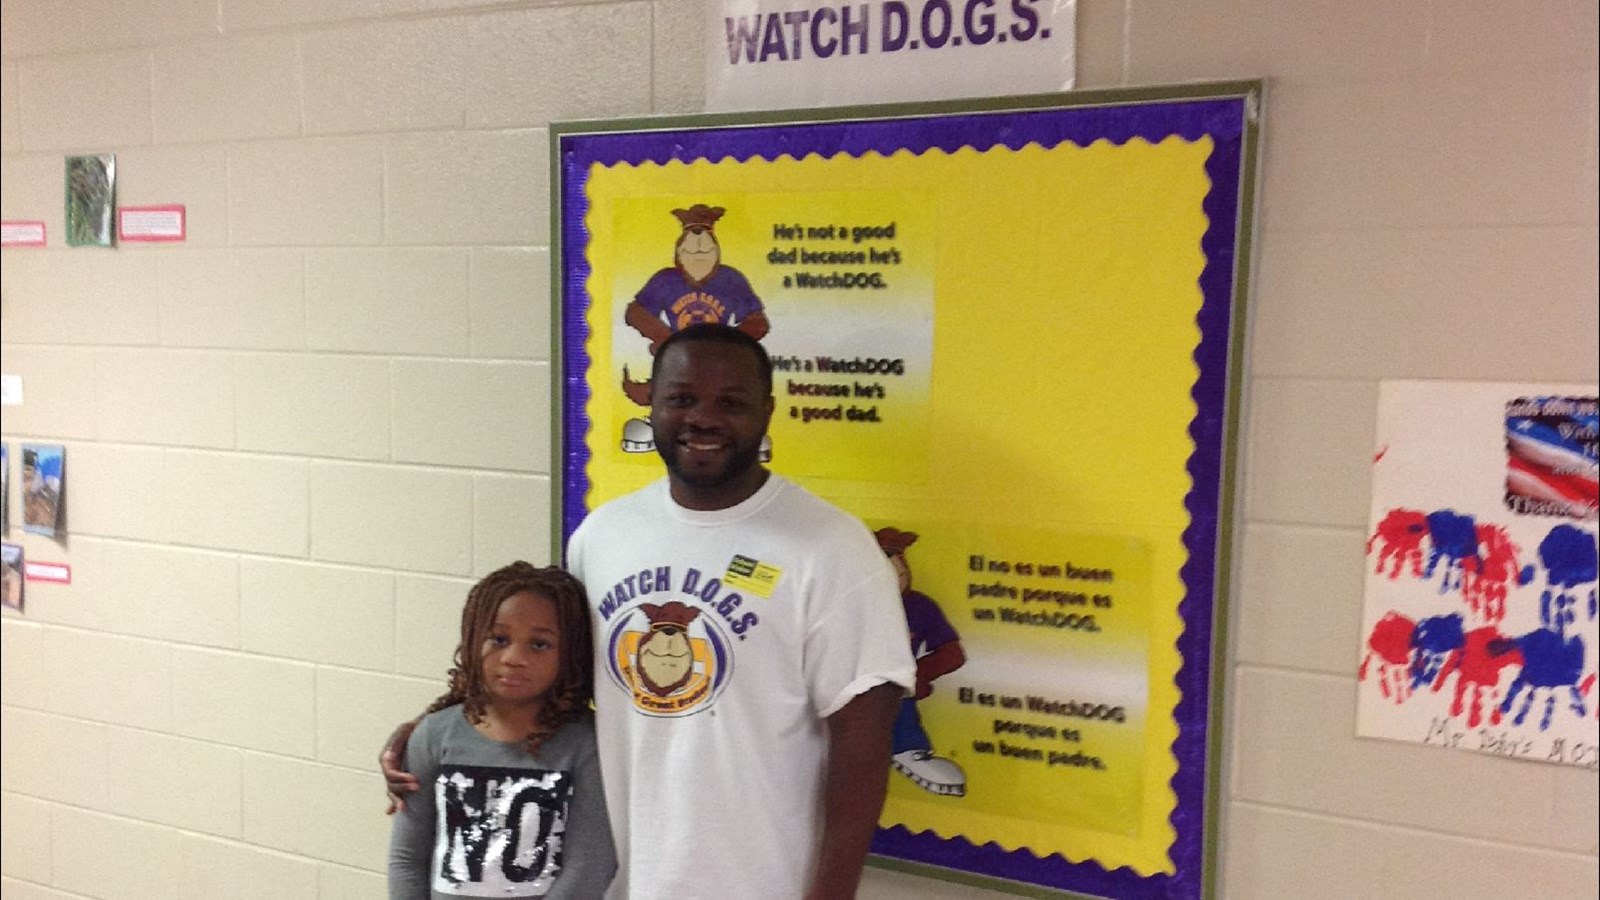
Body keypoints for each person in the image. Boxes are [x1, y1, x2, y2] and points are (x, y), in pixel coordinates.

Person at [387, 324, 913, 900]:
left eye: (731, 402)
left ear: (766, 412)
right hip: (624, 882)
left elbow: (862, 749)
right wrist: (434, 732)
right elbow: (551, 686)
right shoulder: (604, 536)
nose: (703, 419)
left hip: (763, 882)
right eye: (682, 399)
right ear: (652, 405)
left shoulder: (833, 549)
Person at [388, 561, 615, 899]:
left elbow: (590, 864)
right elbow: (407, 859)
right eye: (499, 639)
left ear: (569, 654)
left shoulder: (585, 744)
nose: (514, 657)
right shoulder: (435, 735)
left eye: (539, 645)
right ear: (472, 638)